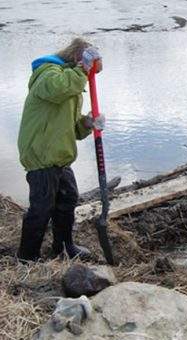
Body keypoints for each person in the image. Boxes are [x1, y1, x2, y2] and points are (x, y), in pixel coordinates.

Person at [17, 38, 104, 262]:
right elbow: (57, 88)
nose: (88, 77)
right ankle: (27, 257)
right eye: (88, 71)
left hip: (59, 154)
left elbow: (71, 128)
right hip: (42, 153)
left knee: (68, 198)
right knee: (42, 207)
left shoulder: (72, 87)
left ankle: (63, 246)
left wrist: (87, 123)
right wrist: (82, 69)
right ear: (77, 58)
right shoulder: (47, 73)